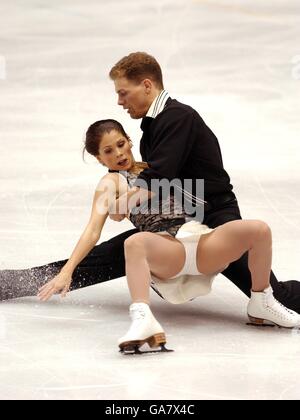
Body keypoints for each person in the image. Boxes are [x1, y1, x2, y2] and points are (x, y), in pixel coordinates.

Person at [1, 51, 300, 315]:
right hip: (173, 230)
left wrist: (120, 205)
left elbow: (157, 178)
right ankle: (9, 282)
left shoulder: (176, 118)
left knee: (276, 294)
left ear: (146, 85)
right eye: (108, 151)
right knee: (99, 260)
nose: (119, 102)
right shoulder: (152, 131)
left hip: (214, 220)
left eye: (123, 93)